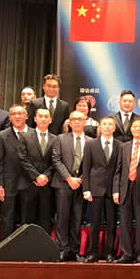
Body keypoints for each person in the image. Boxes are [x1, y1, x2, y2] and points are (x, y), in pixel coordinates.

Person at [113, 118, 140, 263]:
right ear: (131, 130)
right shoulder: (124, 147)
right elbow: (118, 170)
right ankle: (126, 253)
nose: (137, 129)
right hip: (125, 188)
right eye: (134, 127)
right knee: (125, 222)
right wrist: (116, 190)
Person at [51, 110, 93, 262]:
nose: (77, 121)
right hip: (63, 183)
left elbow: (92, 164)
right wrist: (69, 178)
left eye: (80, 119)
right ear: (69, 122)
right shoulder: (60, 138)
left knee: (77, 218)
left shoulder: (91, 141)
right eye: (74, 119)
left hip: (81, 185)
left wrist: (80, 179)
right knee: (62, 218)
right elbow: (56, 160)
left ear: (85, 122)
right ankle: (62, 249)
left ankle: (74, 250)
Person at [82, 116, 120, 263]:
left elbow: (119, 169)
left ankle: (110, 252)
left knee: (111, 223)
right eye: (104, 124)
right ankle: (93, 252)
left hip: (112, 191)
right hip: (95, 189)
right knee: (95, 223)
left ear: (114, 128)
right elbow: (86, 168)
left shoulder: (120, 145)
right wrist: (86, 189)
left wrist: (117, 190)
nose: (107, 126)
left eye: (110, 124)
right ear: (100, 127)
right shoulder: (91, 144)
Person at [0, 105, 31, 243]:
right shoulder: (2, 136)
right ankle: (5, 248)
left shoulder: (34, 134)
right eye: (14, 114)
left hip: (29, 183)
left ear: (26, 116)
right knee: (7, 219)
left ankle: (25, 248)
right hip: (8, 183)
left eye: (20, 113)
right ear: (10, 117)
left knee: (27, 219)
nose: (17, 116)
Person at [17, 108, 57, 234]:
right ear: (35, 119)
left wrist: (46, 176)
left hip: (47, 186)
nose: (43, 119)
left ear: (50, 120)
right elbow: (22, 159)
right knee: (27, 222)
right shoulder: (24, 136)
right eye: (40, 116)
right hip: (29, 185)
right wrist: (36, 176)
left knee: (46, 221)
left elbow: (56, 161)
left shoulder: (56, 139)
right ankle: (26, 246)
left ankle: (44, 246)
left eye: (46, 117)